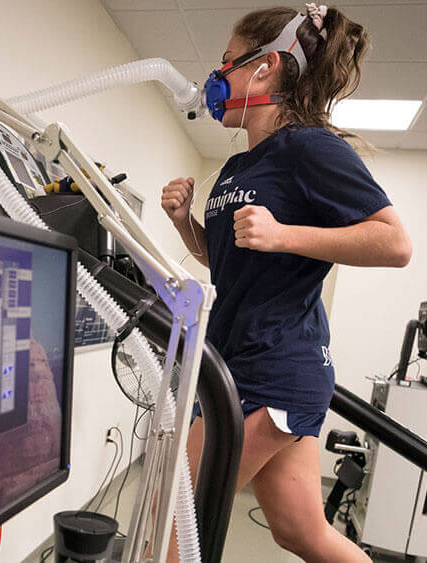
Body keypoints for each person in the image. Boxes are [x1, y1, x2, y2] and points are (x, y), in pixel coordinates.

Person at [161, 5, 411, 562]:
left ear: (266, 67)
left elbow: (394, 243)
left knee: (174, 530)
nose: (217, 76)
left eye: (228, 62)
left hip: (272, 369)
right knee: (301, 533)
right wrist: (185, 224)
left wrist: (284, 235)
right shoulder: (236, 169)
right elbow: (227, 263)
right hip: (240, 358)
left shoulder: (308, 147)